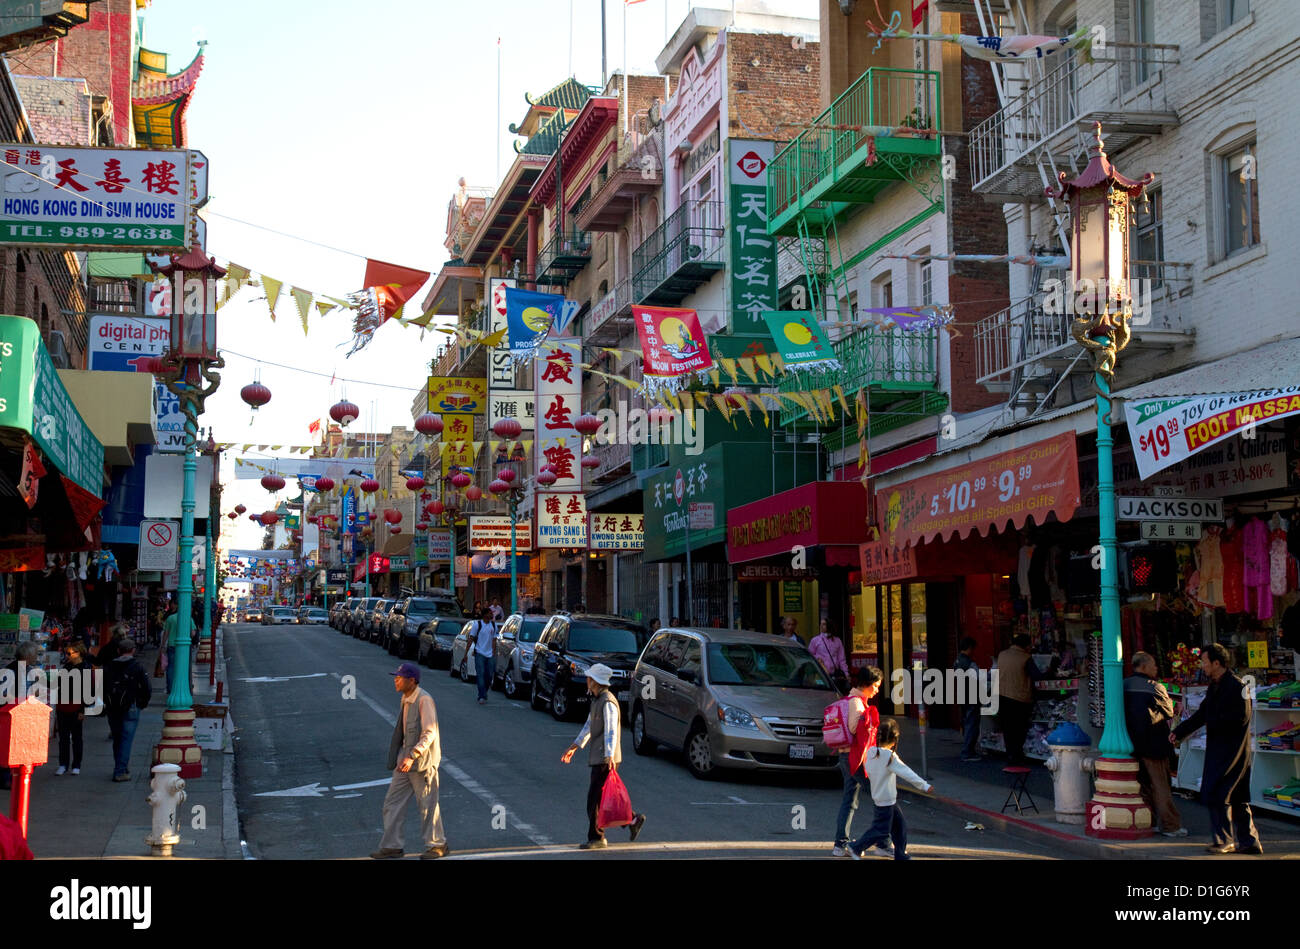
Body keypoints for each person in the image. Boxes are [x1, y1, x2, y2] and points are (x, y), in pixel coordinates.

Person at [1171, 643, 1261, 854]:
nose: (1203, 666)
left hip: (1233, 751)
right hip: (1218, 749)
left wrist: (1213, 720)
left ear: (1216, 663)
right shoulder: (1215, 686)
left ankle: (1225, 840)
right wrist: (1180, 731)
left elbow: (1240, 718)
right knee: (1235, 796)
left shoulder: (1238, 687)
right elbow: (1202, 714)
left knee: (1219, 793)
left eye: (1204, 662)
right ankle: (1249, 842)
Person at [561, 663, 646, 849]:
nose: (587, 681)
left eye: (590, 678)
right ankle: (632, 819)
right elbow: (588, 726)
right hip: (601, 757)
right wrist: (575, 746)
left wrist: (608, 757)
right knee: (606, 798)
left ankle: (597, 837)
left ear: (596, 682)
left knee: (595, 800)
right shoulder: (597, 700)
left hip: (605, 758)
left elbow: (611, 731)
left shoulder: (608, 702)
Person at [371, 661, 448, 859]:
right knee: (392, 802)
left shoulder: (424, 699)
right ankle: (392, 846)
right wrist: (402, 757)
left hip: (421, 762)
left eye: (399, 677)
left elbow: (429, 732)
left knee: (427, 805)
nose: (395, 680)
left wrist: (413, 755)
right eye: (395, 677)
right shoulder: (406, 698)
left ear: (412, 681)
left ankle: (438, 845)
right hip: (405, 761)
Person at [851, 718, 933, 860]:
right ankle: (856, 847)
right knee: (880, 830)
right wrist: (924, 786)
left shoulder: (871, 752)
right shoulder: (889, 756)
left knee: (899, 826)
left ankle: (900, 854)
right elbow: (907, 773)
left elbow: (869, 771)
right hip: (887, 800)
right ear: (894, 740)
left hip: (881, 797)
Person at [1124, 651, 1185, 837]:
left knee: (1142, 786)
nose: (1156, 668)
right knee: (1161, 786)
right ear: (1143, 666)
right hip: (1154, 743)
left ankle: (1147, 821)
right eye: (1153, 665)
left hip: (1132, 743)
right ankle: (1170, 825)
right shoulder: (1154, 687)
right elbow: (1168, 712)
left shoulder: (1123, 685)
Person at [832, 666, 882, 857]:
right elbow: (854, 728)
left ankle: (840, 844)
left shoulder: (851, 699)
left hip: (847, 755)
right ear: (867, 684)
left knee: (850, 799)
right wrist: (868, 720)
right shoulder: (856, 703)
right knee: (880, 796)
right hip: (855, 757)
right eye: (876, 686)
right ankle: (883, 842)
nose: (877, 690)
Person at [104, 638, 151, 782]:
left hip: (113, 706)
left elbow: (101, 686)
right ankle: (120, 770)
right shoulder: (137, 667)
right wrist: (142, 703)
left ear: (118, 651)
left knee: (118, 738)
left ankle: (121, 766)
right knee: (126, 739)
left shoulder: (109, 666)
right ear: (133, 650)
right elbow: (146, 688)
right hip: (130, 705)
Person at [995, 634, 1041, 765]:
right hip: (1019, 698)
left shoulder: (1002, 654)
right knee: (1019, 729)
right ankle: (1017, 756)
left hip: (1002, 696)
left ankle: (1010, 755)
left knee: (1008, 728)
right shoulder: (1025, 658)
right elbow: (1037, 676)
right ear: (1026, 645)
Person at [54, 642, 91, 775]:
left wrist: (82, 710)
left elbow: (87, 692)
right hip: (63, 705)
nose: (67, 656)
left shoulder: (85, 668)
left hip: (76, 706)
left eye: (70, 653)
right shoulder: (66, 667)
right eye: (67, 653)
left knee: (76, 737)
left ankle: (76, 764)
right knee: (63, 737)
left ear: (78, 653)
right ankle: (63, 763)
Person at [954, 637, 983, 762]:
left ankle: (968, 750)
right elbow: (979, 678)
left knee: (967, 723)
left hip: (962, 695)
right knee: (972, 724)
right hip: (972, 696)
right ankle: (967, 752)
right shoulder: (970, 663)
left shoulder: (957, 661)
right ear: (970, 648)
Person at [809, 618, 849, 692]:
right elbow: (810, 656)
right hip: (820, 674)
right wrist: (818, 658)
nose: (821, 626)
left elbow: (842, 659)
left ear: (829, 625)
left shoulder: (837, 641)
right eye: (821, 624)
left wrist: (846, 673)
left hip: (834, 674)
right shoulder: (815, 640)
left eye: (824, 624)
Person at [471, 607, 498, 705]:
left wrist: (493, 652)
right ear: (485, 614)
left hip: (490, 654)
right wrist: (466, 654)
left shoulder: (494, 625)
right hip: (479, 653)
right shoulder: (477, 625)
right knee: (480, 674)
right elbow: (471, 638)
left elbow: (494, 640)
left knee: (489, 675)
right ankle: (481, 695)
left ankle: (484, 692)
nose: (492, 614)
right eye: (490, 613)